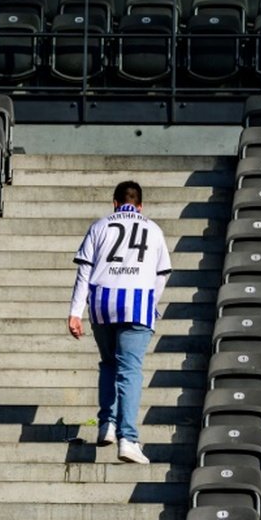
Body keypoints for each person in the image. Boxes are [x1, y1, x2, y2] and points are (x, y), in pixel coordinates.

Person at [67, 181, 172, 464]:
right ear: (140, 206)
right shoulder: (153, 228)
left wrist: (75, 312)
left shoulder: (100, 226)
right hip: (137, 304)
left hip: (102, 303)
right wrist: (151, 302)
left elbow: (84, 272)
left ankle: (107, 424)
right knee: (130, 371)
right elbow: (163, 273)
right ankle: (129, 439)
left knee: (109, 364)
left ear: (114, 203)